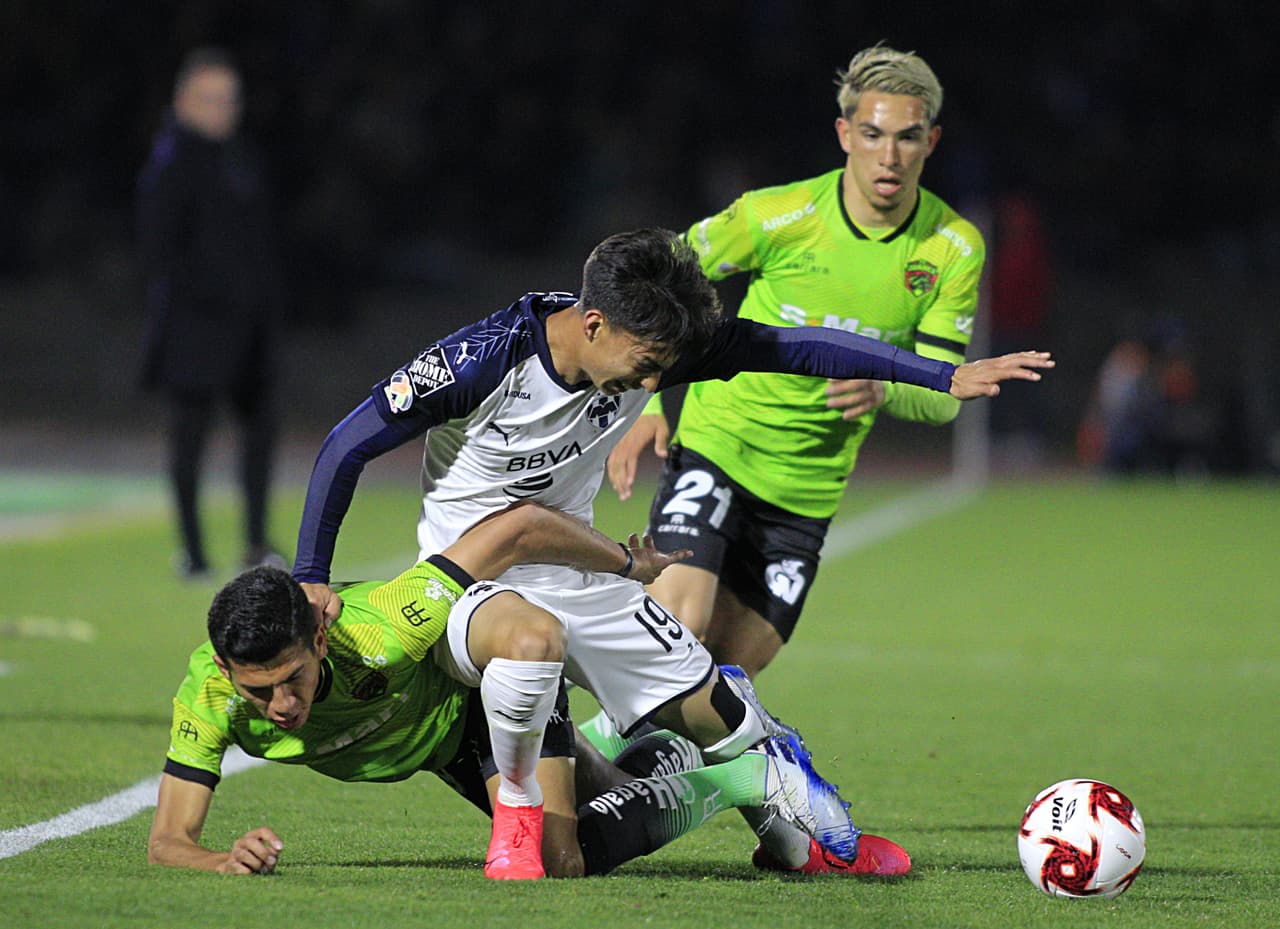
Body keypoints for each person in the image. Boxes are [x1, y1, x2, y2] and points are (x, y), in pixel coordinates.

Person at [290, 227, 1051, 877]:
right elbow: (344, 445)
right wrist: (311, 576)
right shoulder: (481, 363)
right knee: (562, 854)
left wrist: (942, 374)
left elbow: (792, 347)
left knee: (728, 718)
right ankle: (644, 794)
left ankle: (797, 843)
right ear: (592, 325)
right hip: (477, 589)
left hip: (584, 569)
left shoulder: (649, 340)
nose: (653, 383)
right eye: (645, 365)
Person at [148, 501, 906, 877]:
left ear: (318, 635)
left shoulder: (387, 622)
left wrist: (623, 561)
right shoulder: (210, 695)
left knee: (573, 857)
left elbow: (514, 530)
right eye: (259, 692)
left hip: (480, 708)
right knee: (610, 789)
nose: (279, 705)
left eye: (292, 680)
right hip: (436, 751)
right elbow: (167, 841)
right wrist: (221, 858)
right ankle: (649, 746)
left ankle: (746, 772)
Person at [602, 46, 991, 685]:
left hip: (806, 493)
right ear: (845, 134)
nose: (888, 156)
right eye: (872, 135)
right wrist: (644, 401)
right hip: (718, 446)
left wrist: (884, 389)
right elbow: (650, 282)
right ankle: (576, 768)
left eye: (906, 137)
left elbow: (945, 393)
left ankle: (624, 769)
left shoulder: (952, 247)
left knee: (726, 680)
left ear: (931, 141)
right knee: (677, 627)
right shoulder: (776, 216)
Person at [136, 47, 286, 579]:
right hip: (195, 329)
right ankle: (193, 550)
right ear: (182, 101)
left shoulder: (242, 158)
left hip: (248, 327)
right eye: (210, 99)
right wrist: (213, 296)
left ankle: (254, 543)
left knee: (261, 432)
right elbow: (159, 252)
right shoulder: (171, 161)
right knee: (189, 438)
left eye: (229, 99)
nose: (222, 109)